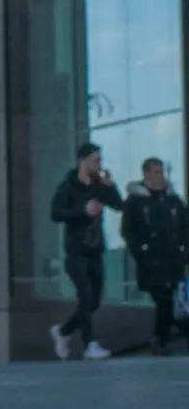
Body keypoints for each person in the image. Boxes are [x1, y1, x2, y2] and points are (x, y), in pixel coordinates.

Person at [50, 142, 122, 358]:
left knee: (94, 300)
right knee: (85, 295)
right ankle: (90, 344)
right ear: (83, 162)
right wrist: (82, 211)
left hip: (96, 249)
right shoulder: (68, 185)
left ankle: (62, 332)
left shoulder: (99, 185)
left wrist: (110, 187)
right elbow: (55, 213)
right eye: (95, 161)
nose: (99, 165)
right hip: (76, 250)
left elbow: (119, 205)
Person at [119, 158, 188, 355]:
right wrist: (142, 251)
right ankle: (161, 338)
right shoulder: (135, 201)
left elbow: (185, 226)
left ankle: (162, 338)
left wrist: (185, 252)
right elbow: (128, 231)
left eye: (161, 171)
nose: (160, 176)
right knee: (163, 299)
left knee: (171, 300)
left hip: (173, 259)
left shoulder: (174, 200)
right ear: (146, 174)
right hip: (151, 261)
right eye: (156, 172)